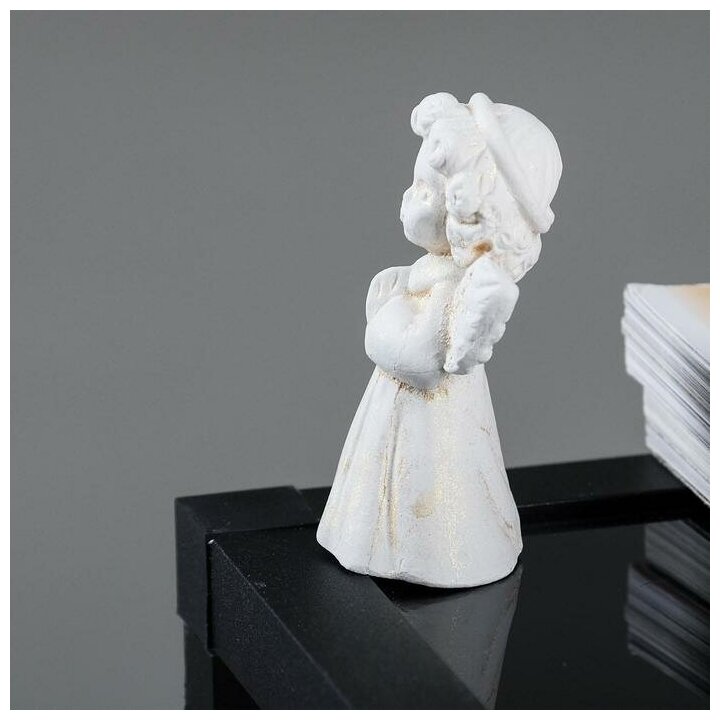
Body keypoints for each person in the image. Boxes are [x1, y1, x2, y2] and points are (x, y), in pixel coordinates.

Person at [317, 93, 562, 588]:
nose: (407, 198)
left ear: (465, 219)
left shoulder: (451, 291)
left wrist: (385, 313)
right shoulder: (429, 276)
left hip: (427, 422)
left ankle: (433, 551)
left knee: (430, 482)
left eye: (423, 191)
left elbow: (417, 360)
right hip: (398, 407)